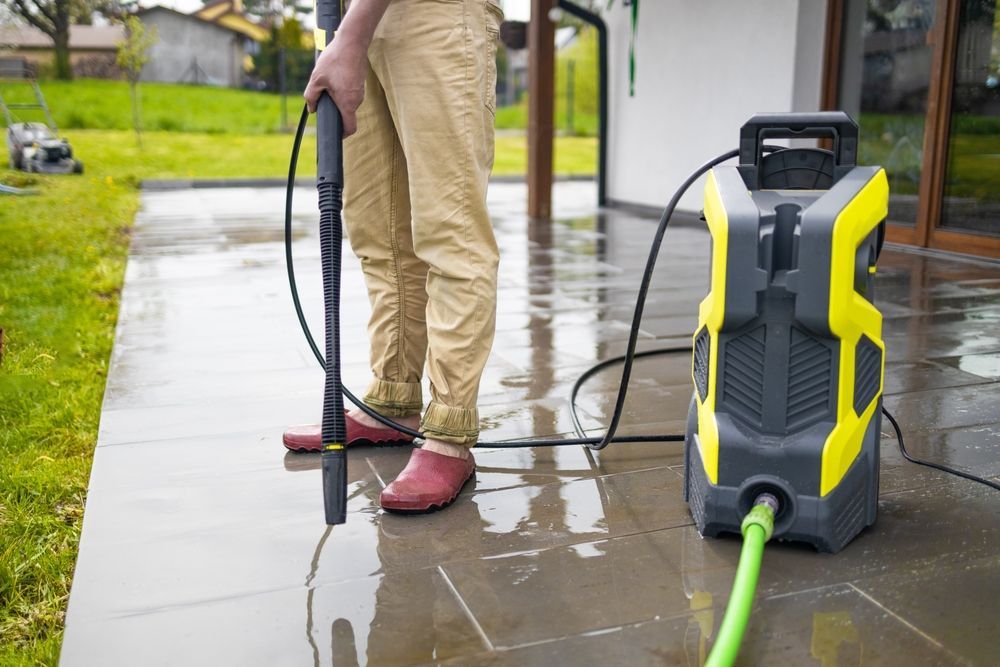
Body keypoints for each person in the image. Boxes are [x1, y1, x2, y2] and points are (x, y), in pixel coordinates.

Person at [283, 0, 505, 514]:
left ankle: (449, 432)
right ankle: (392, 399)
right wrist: (349, 32)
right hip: (355, 22)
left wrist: (352, 36)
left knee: (450, 231)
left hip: (435, 14)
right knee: (380, 234)